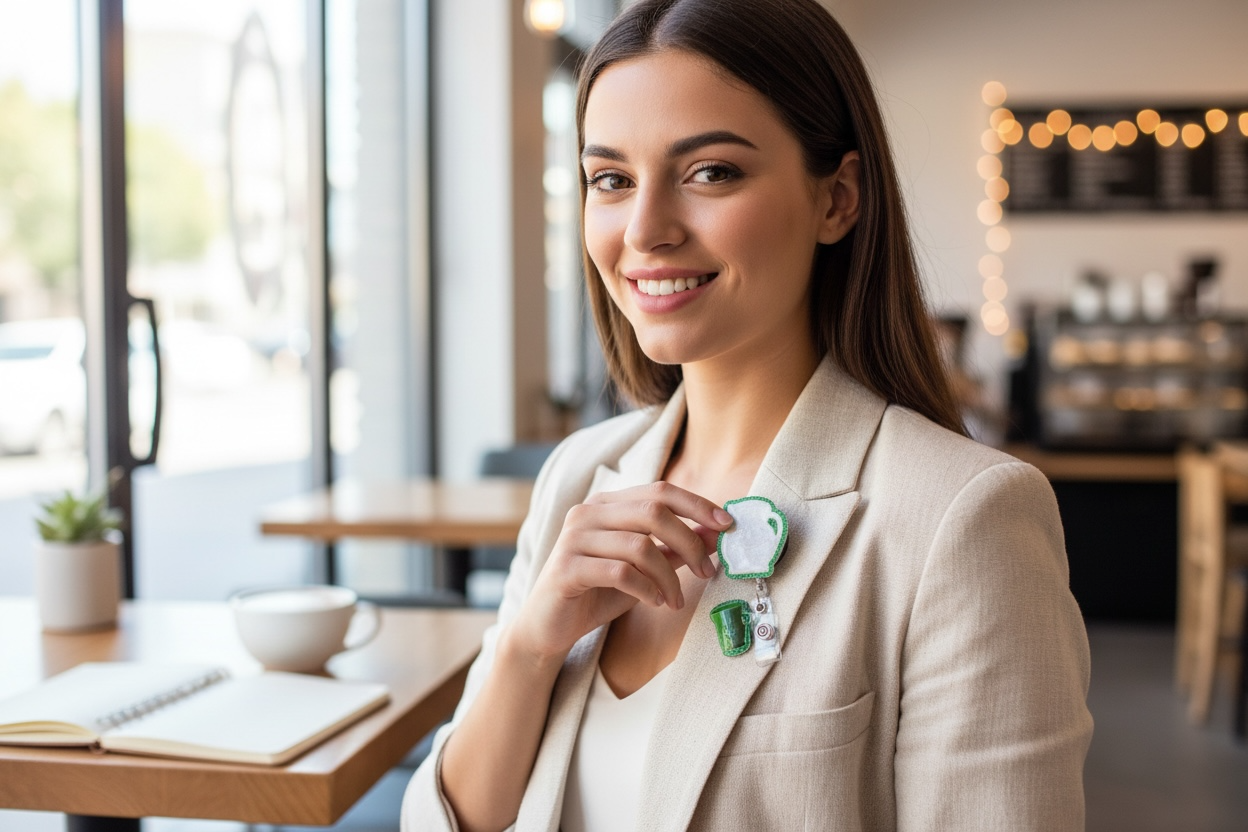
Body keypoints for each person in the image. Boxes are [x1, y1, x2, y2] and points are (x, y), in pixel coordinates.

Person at [403, 0, 1092, 829]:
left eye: (711, 172)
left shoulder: (960, 517)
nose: (645, 231)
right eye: (611, 180)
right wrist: (529, 648)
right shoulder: (577, 478)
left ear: (838, 199)